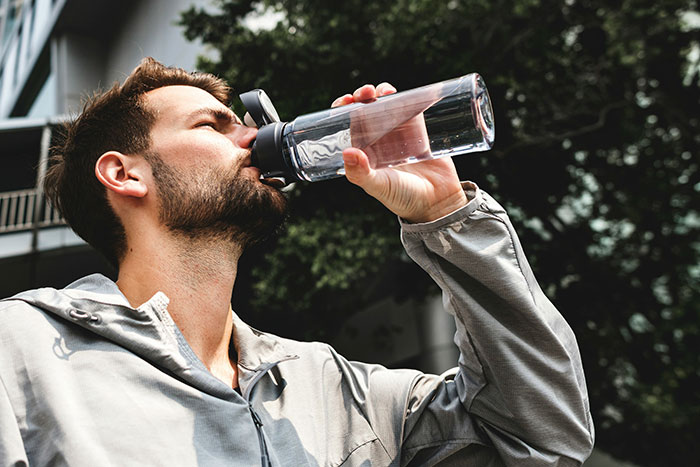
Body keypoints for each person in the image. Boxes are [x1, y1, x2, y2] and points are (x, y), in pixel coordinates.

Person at [0, 58, 594, 466]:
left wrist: (446, 217)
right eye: (215, 125)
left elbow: (541, 439)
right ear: (125, 174)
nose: (256, 140)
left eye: (251, 126)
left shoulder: (337, 391)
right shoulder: (23, 352)